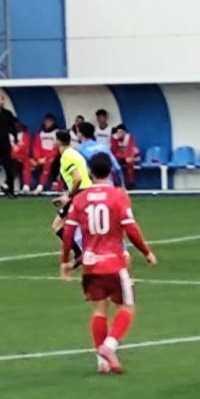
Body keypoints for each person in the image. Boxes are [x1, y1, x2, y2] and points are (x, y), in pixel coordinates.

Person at [60, 153, 157, 375]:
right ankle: (109, 346)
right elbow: (130, 229)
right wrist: (147, 252)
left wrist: (65, 260)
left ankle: (101, 362)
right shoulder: (118, 196)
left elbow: (68, 232)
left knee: (99, 311)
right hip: (114, 263)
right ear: (111, 172)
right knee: (128, 306)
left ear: (90, 173)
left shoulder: (80, 199)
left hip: (90, 264)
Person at [52, 129, 92, 259]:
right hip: (87, 192)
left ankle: (79, 252)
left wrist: (70, 195)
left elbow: (77, 178)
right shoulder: (75, 154)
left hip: (80, 193)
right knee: (85, 224)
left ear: (58, 141)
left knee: (57, 224)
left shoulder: (66, 157)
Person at [76, 121, 123, 187]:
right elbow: (117, 167)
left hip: (92, 185)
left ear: (81, 134)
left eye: (77, 132)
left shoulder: (79, 150)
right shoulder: (103, 145)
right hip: (109, 183)